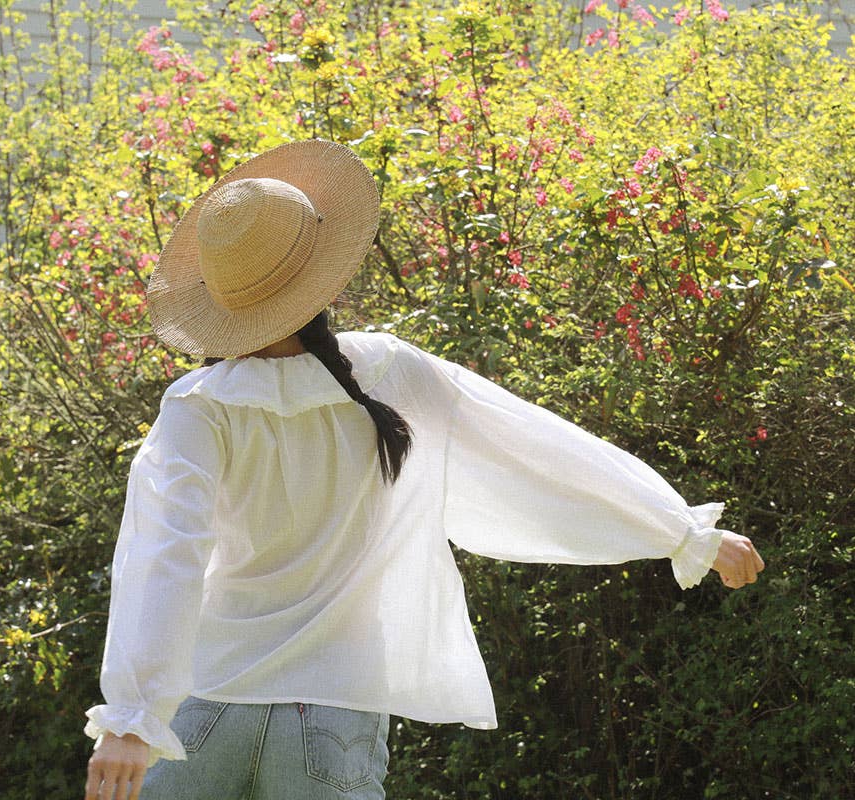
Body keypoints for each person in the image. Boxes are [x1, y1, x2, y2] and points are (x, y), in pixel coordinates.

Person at [83, 140, 764, 800]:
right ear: (319, 270)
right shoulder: (385, 370)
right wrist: (681, 532)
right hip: (334, 713)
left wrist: (134, 717)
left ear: (224, 299)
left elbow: (165, 554)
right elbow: (534, 449)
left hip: (208, 705)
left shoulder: (198, 406)